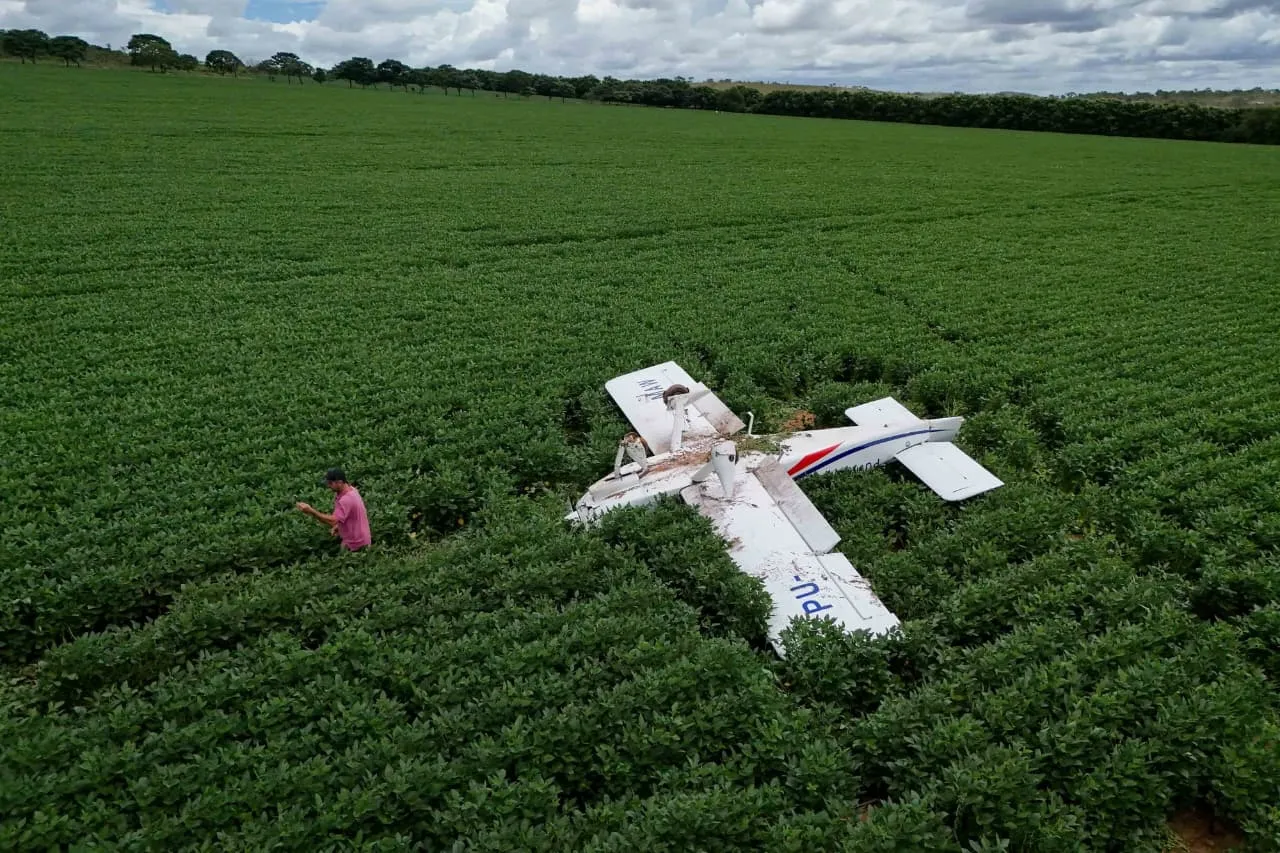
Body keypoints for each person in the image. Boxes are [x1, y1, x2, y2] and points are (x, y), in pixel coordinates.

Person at [297, 467, 371, 552]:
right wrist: (339, 527)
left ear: (340, 482)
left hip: (357, 545)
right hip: (356, 540)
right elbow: (350, 515)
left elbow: (333, 521)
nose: (328, 486)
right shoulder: (351, 490)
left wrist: (311, 511)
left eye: (330, 483)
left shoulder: (346, 499)